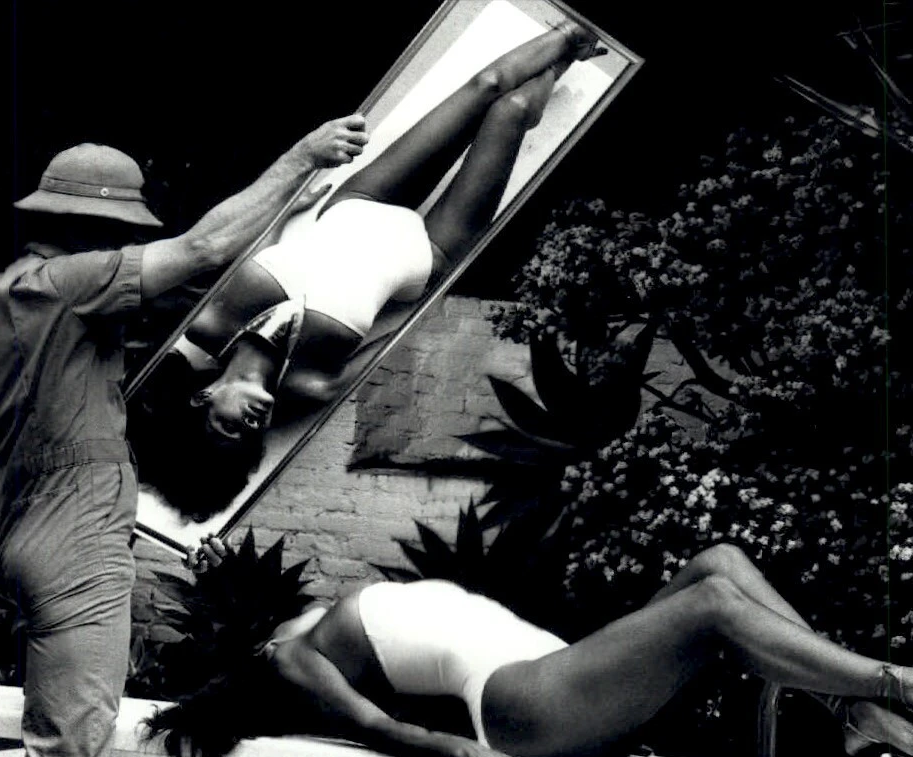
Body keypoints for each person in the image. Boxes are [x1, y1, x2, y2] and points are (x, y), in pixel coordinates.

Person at [0, 115, 370, 757]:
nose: (127, 245)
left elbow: (79, 421)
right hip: (71, 545)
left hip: (21, 527)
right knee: (67, 755)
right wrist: (303, 157)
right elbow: (205, 249)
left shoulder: (13, 300)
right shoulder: (70, 284)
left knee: (75, 738)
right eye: (121, 233)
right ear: (91, 228)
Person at [128, 21, 605, 520]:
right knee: (511, 111)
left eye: (228, 426)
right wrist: (445, 277)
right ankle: (569, 56)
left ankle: (575, 33)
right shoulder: (312, 384)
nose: (251, 424)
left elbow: (254, 254)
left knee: (484, 87)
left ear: (201, 399)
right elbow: (403, 329)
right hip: (431, 248)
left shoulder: (205, 323)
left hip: (360, 201)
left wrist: (287, 213)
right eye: (251, 437)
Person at [144, 540, 913, 757]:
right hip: (526, 708)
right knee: (713, 607)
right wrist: (459, 751)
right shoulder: (291, 656)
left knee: (719, 564)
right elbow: (373, 725)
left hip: (557, 677)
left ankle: (851, 717)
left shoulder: (307, 621)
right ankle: (899, 686)